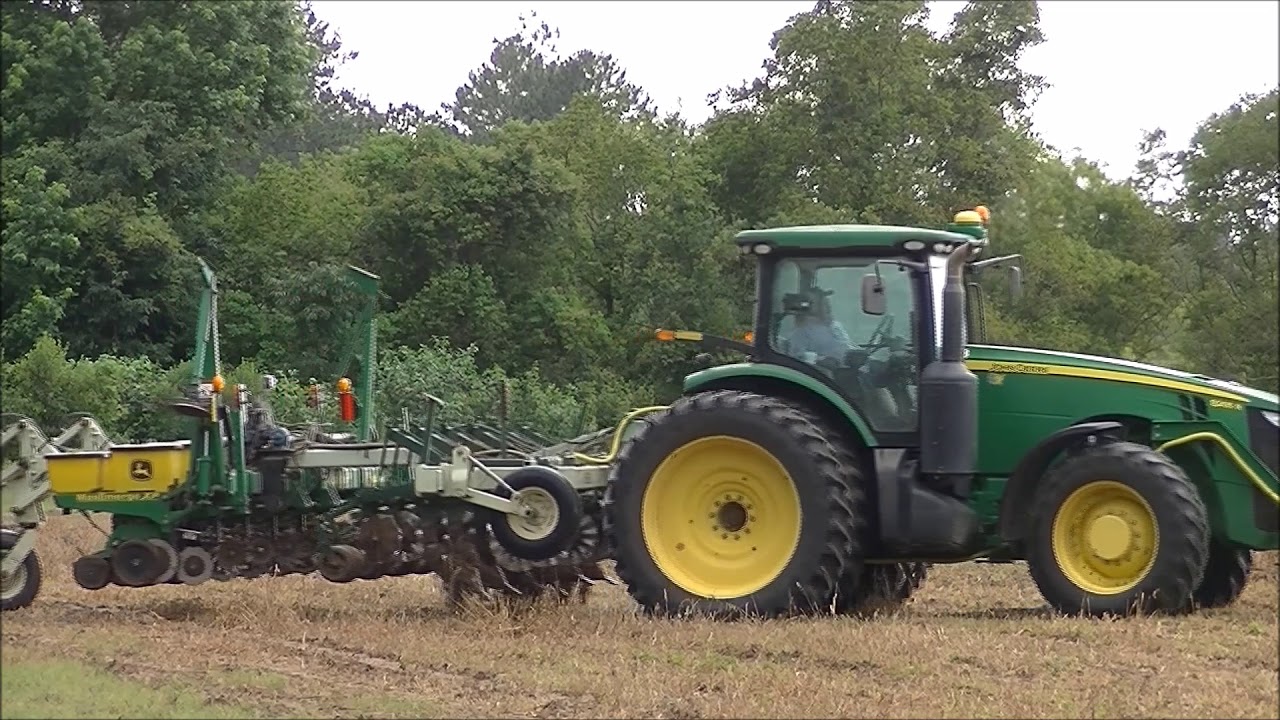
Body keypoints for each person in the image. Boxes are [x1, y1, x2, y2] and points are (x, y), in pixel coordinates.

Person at [785, 290, 852, 366]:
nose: (828, 306)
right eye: (822, 303)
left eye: (827, 303)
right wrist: (820, 360)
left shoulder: (836, 326)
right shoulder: (801, 331)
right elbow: (797, 356)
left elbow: (846, 346)